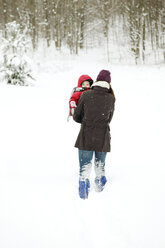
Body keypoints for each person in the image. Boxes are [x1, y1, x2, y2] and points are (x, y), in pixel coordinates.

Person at [73, 69, 115, 199]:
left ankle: (83, 190)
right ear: (108, 83)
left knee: (85, 167)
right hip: (103, 136)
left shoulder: (86, 95)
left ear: (96, 81)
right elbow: (109, 119)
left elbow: (76, 116)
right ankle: (101, 189)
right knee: (100, 165)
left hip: (86, 135)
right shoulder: (111, 98)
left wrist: (86, 121)